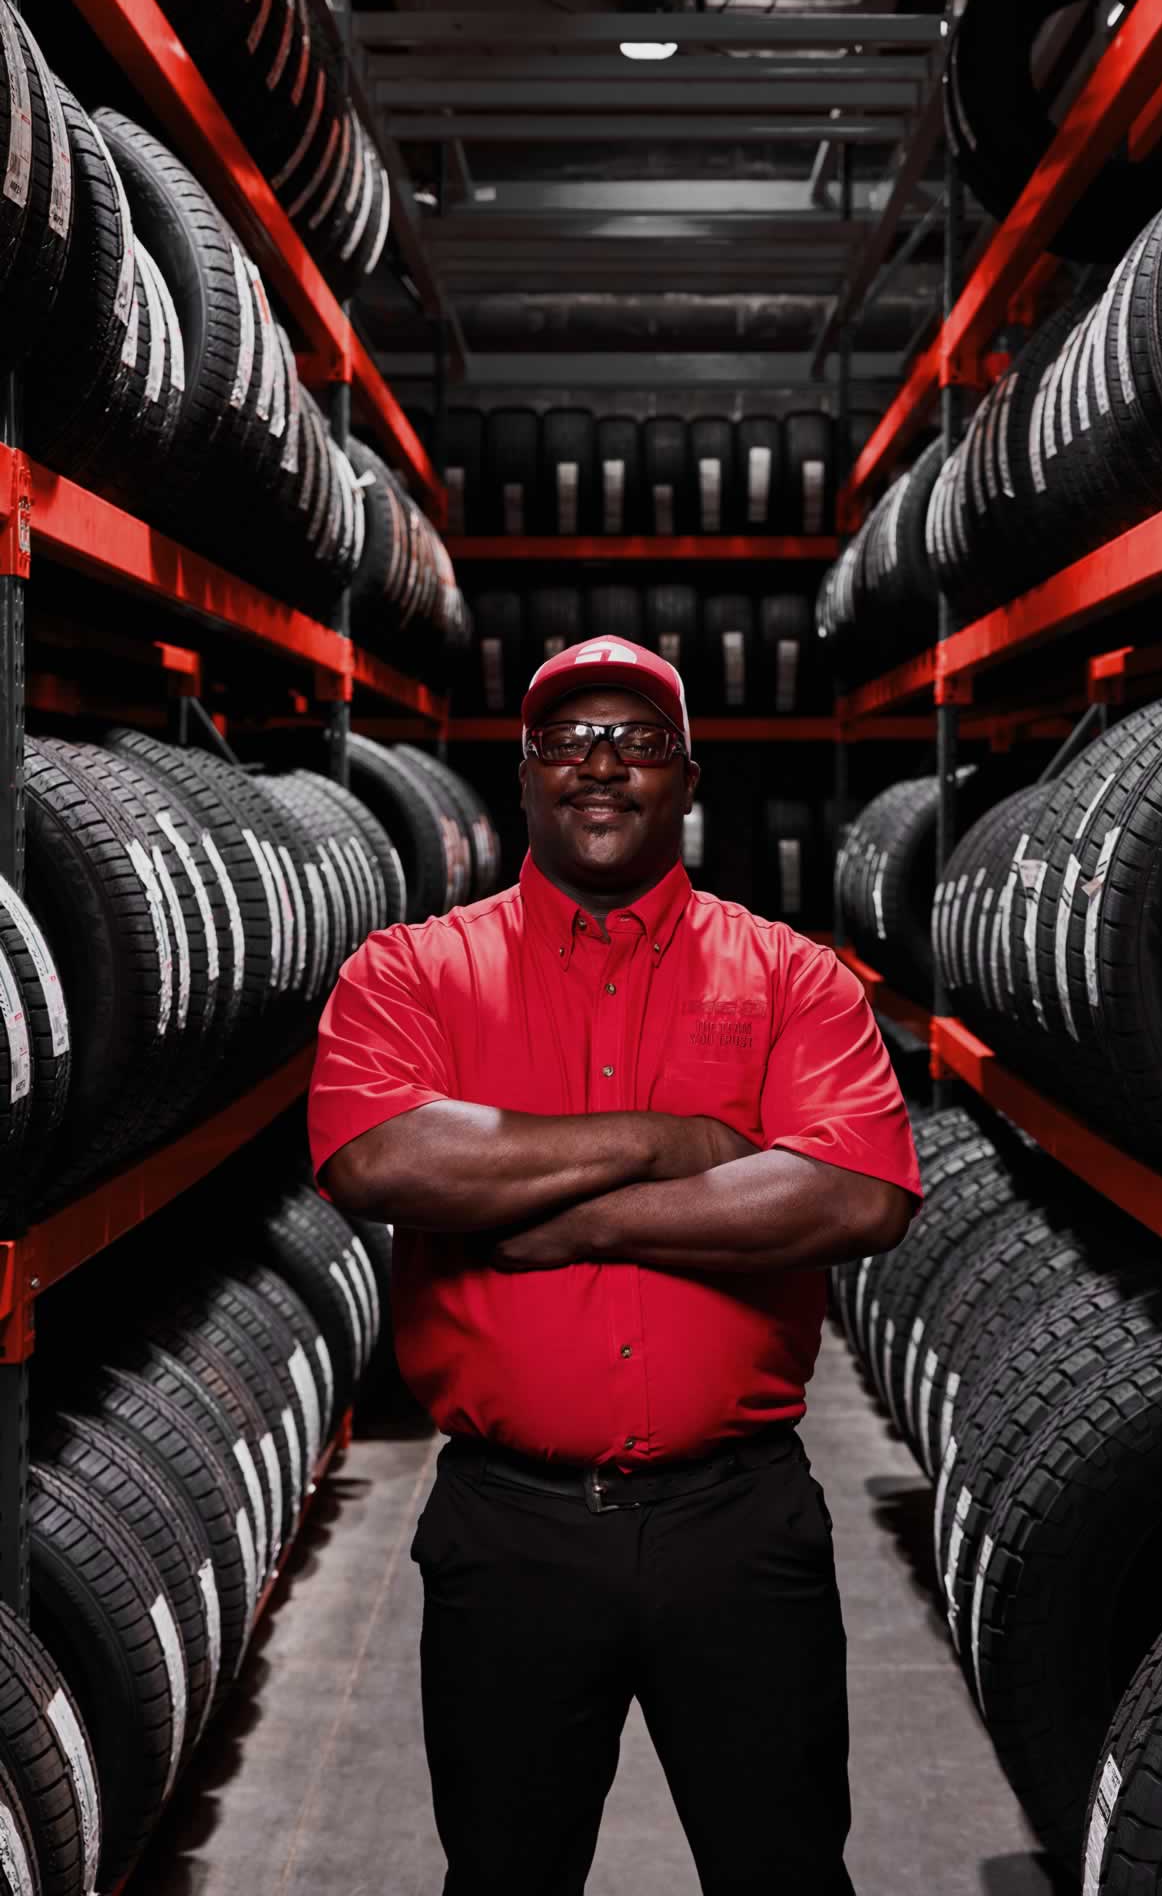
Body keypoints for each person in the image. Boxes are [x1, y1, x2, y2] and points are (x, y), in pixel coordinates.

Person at [308, 633, 921, 1896]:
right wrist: (677, 1142)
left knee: (787, 1873)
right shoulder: (413, 970)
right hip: (510, 1531)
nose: (602, 767)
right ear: (521, 774)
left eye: (639, 742)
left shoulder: (792, 975)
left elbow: (854, 1191)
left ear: (688, 779)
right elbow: (377, 1158)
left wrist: (581, 1219)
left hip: (738, 1527)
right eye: (568, 740)